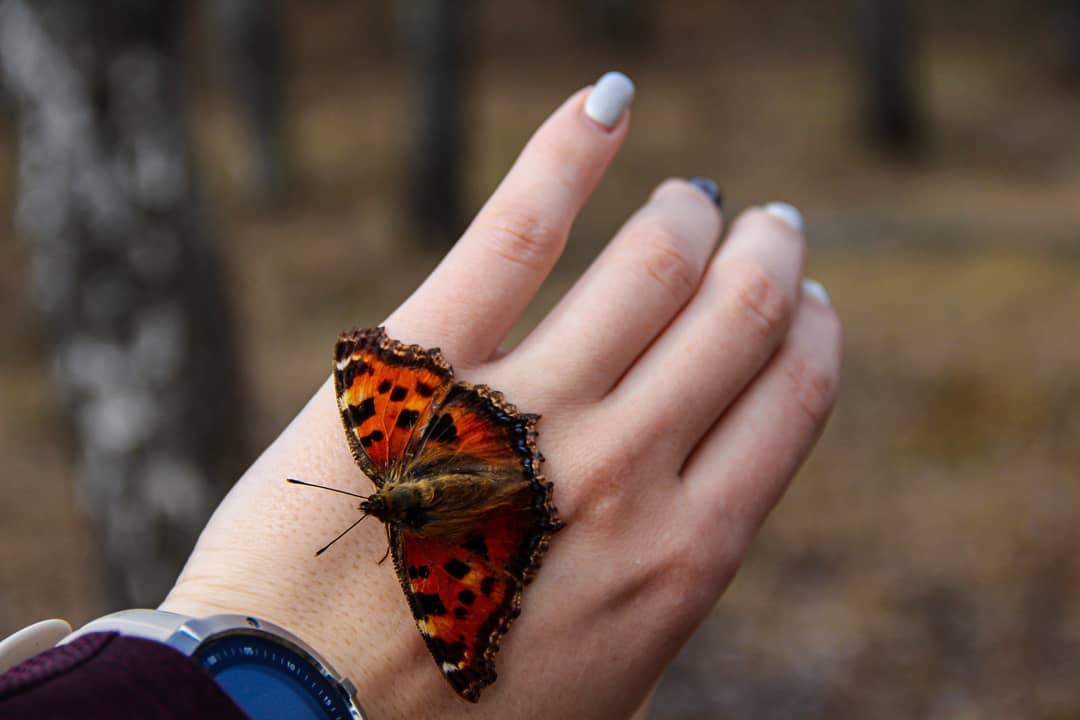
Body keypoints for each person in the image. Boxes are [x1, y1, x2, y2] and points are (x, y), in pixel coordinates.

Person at [0, 71, 841, 718]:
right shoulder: (383, 445)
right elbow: (373, 374)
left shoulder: (423, 564)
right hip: (476, 443)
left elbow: (460, 626)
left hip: (492, 519)